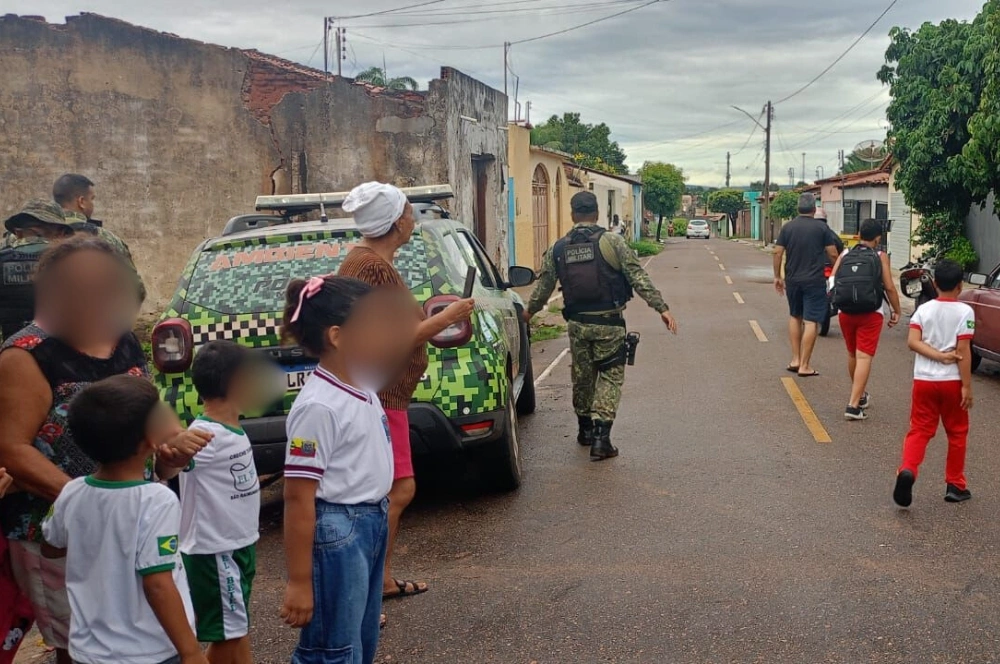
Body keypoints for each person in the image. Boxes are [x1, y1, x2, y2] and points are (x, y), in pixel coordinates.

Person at [0, 236, 208, 664]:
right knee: (80, 639)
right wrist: (90, 504)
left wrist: (169, 450)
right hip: (54, 526)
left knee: (143, 621)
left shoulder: (124, 340)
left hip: (132, 514)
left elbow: (149, 410)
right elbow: (11, 448)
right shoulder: (26, 355)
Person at [338, 181, 474, 604]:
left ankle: (377, 581)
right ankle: (364, 590)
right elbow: (384, 341)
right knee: (394, 491)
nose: (414, 219)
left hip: (385, 396)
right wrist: (443, 319)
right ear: (398, 222)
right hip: (379, 398)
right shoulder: (370, 268)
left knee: (393, 490)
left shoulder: (370, 263)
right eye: (410, 213)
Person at [279, 276, 416, 664]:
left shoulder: (361, 386)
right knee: (331, 650)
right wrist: (300, 582)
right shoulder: (318, 407)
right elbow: (297, 495)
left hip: (370, 522)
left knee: (361, 640)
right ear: (338, 336)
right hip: (338, 532)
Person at [42, 376, 207, 664]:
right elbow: (157, 584)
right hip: (150, 652)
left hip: (89, 652)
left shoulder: (72, 491)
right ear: (152, 439)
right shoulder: (156, 500)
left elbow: (51, 547)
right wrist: (191, 652)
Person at [523, 191, 678, 461]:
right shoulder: (613, 242)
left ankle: (584, 430)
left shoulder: (559, 248)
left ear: (573, 215)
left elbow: (544, 286)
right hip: (609, 323)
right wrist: (661, 308)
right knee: (609, 376)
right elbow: (637, 276)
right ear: (597, 214)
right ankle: (601, 439)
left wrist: (529, 312)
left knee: (582, 377)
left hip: (577, 324)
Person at [175, 341, 263, 664]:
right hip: (215, 552)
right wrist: (173, 449)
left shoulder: (231, 427)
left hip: (238, 545)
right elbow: (174, 461)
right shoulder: (204, 435)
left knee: (237, 630)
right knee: (227, 639)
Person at [892, 259, 975, 508]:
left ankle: (907, 470)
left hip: (924, 380)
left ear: (935, 283)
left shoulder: (923, 311)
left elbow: (913, 342)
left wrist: (936, 356)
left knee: (919, 430)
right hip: (951, 381)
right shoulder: (965, 312)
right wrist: (967, 387)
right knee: (957, 432)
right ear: (960, 286)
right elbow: (964, 350)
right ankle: (955, 484)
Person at [830, 219, 902, 420]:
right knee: (864, 357)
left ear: (859, 234)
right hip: (870, 313)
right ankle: (853, 406)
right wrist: (896, 310)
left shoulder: (845, 254)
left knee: (853, 355)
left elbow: (832, 280)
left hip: (846, 312)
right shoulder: (880, 256)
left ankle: (860, 396)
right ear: (878, 238)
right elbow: (889, 287)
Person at [773, 193, 840, 377]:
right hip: (814, 281)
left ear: (798, 209)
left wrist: (777, 276)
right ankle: (805, 365)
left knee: (795, 316)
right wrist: (837, 272)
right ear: (813, 209)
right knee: (811, 321)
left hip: (792, 280)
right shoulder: (821, 228)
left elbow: (777, 253)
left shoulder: (788, 228)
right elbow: (833, 253)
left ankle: (795, 359)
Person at [52, 173, 146, 299]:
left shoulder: (33, 236)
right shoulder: (106, 237)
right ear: (81, 202)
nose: (92, 204)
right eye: (92, 199)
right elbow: (136, 288)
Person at [0, 201, 75, 341]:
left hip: (13, 354)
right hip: (62, 356)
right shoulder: (73, 263)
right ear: (61, 233)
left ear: (18, 232)